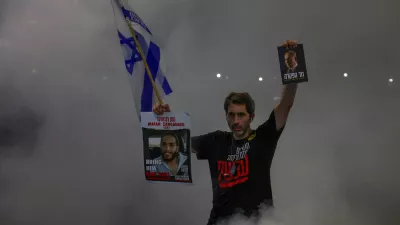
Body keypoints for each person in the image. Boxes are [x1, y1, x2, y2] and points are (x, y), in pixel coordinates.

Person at [153, 40, 299, 225]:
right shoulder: (216, 140)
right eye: (231, 115)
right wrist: (161, 118)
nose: (236, 121)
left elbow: (286, 104)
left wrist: (292, 69)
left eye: (241, 115)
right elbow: (174, 143)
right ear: (226, 116)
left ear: (251, 117)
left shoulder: (263, 137)